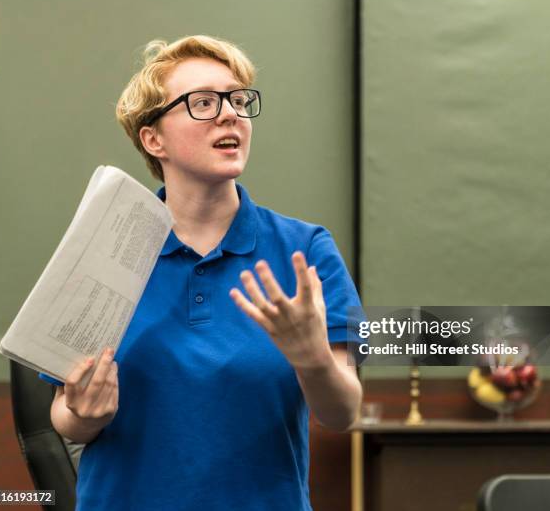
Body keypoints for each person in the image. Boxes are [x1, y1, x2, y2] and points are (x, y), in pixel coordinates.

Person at [43, 35, 363, 510]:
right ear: (154, 139)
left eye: (238, 99)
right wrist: (83, 415)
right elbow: (63, 415)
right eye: (203, 103)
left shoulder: (304, 250)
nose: (230, 113)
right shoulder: (102, 248)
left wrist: (311, 358)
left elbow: (342, 414)